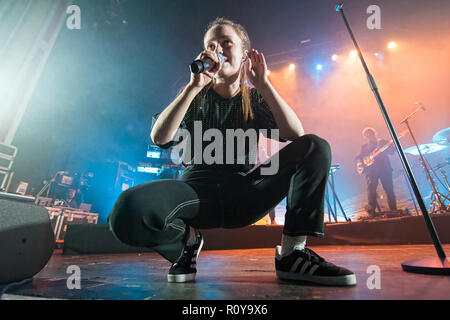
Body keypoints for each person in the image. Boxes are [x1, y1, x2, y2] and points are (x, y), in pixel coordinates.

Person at [108, 18, 355, 286]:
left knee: (315, 147)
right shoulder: (195, 95)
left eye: (226, 42)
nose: (218, 50)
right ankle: (186, 243)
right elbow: (159, 138)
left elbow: (296, 134)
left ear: (244, 53)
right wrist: (192, 87)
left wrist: (264, 85)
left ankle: (292, 255)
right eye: (211, 45)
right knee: (126, 211)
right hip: (196, 193)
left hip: (244, 193)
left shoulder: (255, 98)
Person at [356, 127, 397, 216]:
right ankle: (372, 211)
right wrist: (361, 163)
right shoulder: (364, 147)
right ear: (365, 137)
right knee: (371, 190)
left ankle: (394, 210)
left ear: (375, 134)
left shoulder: (382, 142)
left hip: (384, 169)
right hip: (371, 172)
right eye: (367, 136)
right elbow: (359, 158)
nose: (369, 137)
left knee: (389, 189)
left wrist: (390, 146)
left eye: (370, 134)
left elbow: (393, 152)